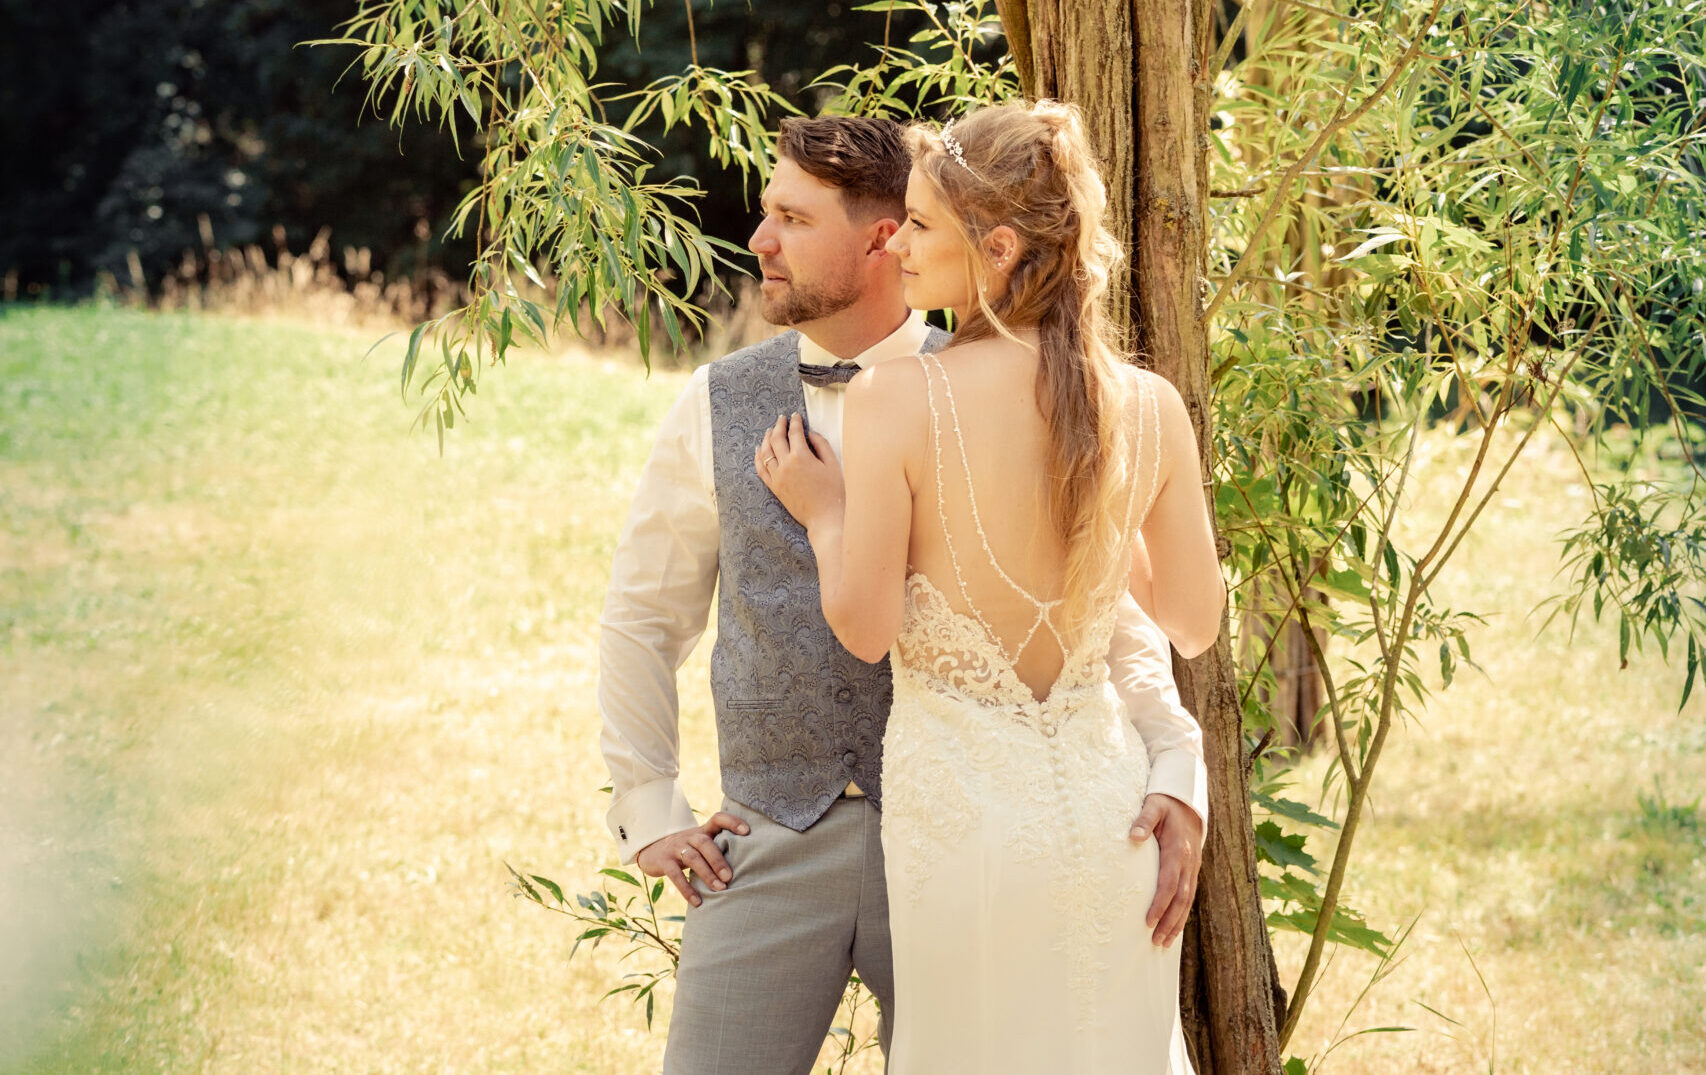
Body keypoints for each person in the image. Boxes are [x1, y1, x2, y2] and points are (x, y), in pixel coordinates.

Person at [599, 113, 1209, 1075]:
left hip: (944, 829)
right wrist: (650, 805)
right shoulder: (717, 402)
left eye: (793, 218)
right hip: (778, 832)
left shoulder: (970, 393)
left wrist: (1177, 763)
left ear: (886, 238)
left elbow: (1108, 621)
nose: (759, 240)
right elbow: (643, 612)